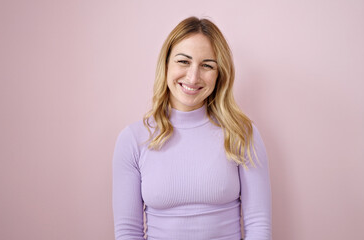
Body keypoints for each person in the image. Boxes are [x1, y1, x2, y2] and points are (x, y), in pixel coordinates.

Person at [112, 16, 272, 240]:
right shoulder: (132, 139)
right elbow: (128, 233)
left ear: (219, 75)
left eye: (207, 65)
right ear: (166, 64)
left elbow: (258, 226)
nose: (193, 76)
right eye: (183, 61)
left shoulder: (242, 134)